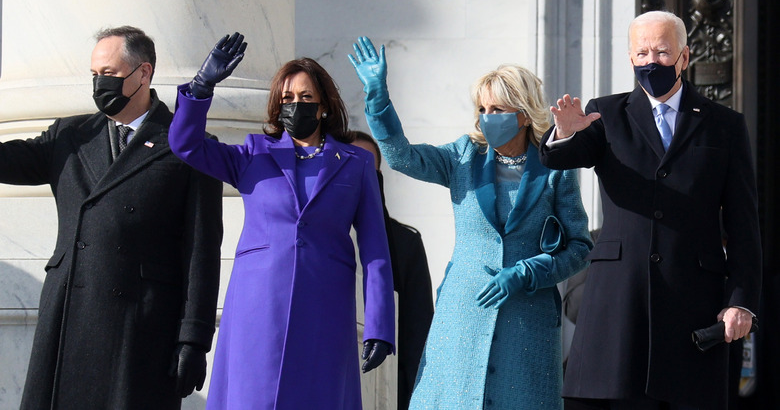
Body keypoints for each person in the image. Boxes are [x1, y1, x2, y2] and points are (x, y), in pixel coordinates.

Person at [349, 37, 593, 410]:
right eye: (482, 108)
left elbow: (579, 248)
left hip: (527, 322)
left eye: (498, 108)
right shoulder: (463, 155)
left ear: (524, 113)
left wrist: (530, 272)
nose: (487, 117)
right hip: (464, 313)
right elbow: (402, 158)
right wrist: (379, 99)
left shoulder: (554, 167)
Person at [539, 11, 762, 410]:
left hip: (693, 301)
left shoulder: (724, 125)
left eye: (662, 51)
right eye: (641, 52)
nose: (651, 61)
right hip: (619, 304)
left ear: (684, 57)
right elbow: (562, 157)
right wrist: (565, 133)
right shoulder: (604, 114)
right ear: (629, 58)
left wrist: (741, 299)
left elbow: (743, 223)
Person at [0, 26, 224, 409]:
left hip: (142, 324)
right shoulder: (70, 136)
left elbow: (201, 250)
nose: (99, 83)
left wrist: (194, 338)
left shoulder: (187, 145)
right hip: (70, 313)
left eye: (110, 74)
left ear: (143, 73)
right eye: (94, 75)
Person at [168, 33, 395, 409]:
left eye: (305, 98)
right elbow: (185, 144)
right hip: (257, 305)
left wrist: (380, 327)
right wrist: (200, 88)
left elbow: (376, 251)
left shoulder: (355, 164)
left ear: (323, 106)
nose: (296, 105)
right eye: (287, 99)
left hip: (326, 305)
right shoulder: (252, 154)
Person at [352, 131, 435, 410]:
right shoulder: (316, 238)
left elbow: (417, 332)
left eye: (369, 170)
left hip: (385, 388)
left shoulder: (404, 243)